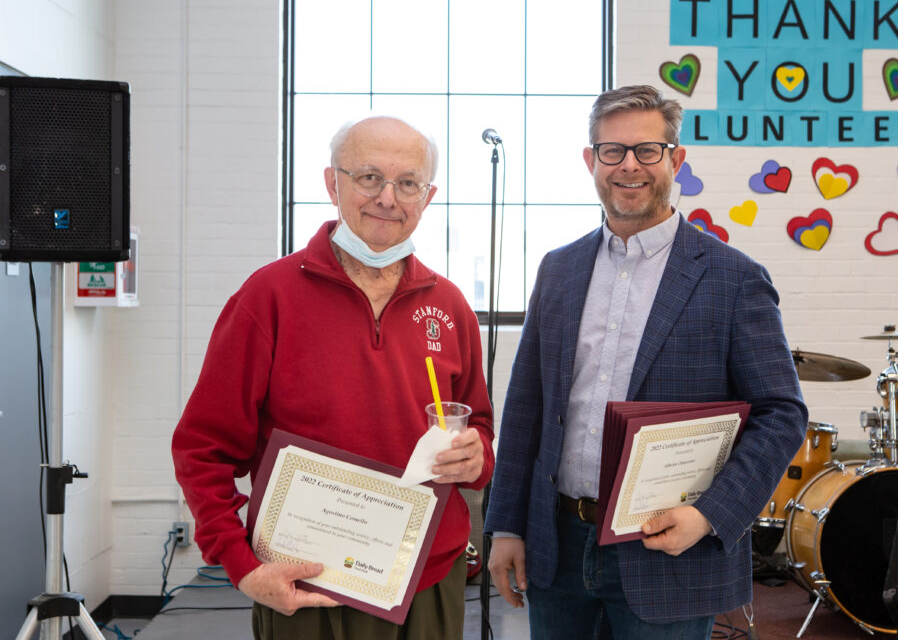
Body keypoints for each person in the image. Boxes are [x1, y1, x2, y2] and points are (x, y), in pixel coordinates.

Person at [483, 85, 807, 640]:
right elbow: (526, 408)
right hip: (557, 544)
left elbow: (782, 414)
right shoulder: (558, 270)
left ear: (675, 160)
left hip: (669, 551)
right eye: (612, 150)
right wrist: (507, 525)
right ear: (590, 161)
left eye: (647, 150)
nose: (629, 165)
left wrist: (709, 515)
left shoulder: (733, 278)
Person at [172, 115, 494, 640]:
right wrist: (241, 564)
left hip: (428, 579)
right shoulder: (268, 298)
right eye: (369, 177)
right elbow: (201, 449)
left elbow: (477, 425)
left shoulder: (449, 305)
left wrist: (477, 456)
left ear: (427, 197)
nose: (388, 198)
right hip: (311, 587)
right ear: (332, 183)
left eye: (407, 183)